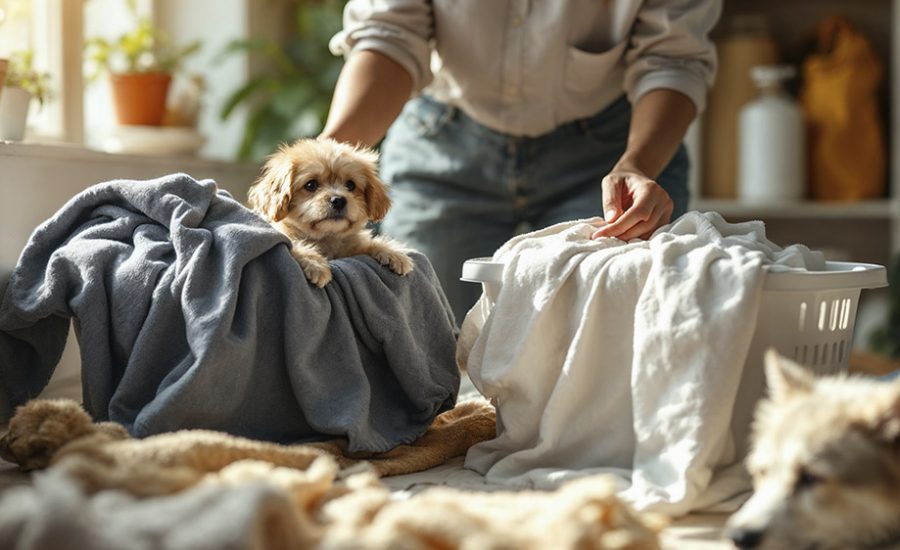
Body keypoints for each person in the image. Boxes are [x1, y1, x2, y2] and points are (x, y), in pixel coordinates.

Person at [319, 1, 721, 323]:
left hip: (611, 150)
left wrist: (637, 165)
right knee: (420, 335)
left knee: (615, 345)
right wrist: (326, 158)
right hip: (443, 140)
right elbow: (390, 36)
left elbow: (673, 58)